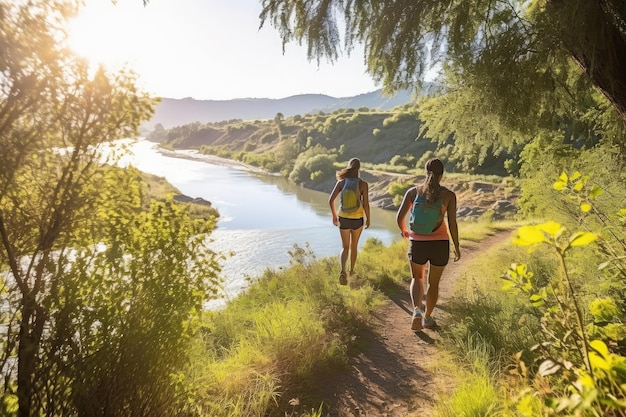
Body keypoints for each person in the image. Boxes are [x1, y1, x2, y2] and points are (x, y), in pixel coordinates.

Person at [396, 158, 461, 330]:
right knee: (433, 283)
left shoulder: (413, 192)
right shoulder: (448, 195)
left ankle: (416, 310)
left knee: (417, 278)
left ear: (426, 172)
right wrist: (457, 246)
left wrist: (405, 231)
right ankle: (427, 318)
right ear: (442, 174)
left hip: (417, 242)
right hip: (440, 244)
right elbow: (452, 223)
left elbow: (399, 217)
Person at [329, 157, 370, 285]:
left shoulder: (341, 182)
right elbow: (366, 204)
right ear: (359, 169)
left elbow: (330, 200)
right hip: (357, 219)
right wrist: (368, 219)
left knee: (345, 247)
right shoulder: (363, 184)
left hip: (343, 218)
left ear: (349, 166)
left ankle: (342, 271)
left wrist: (334, 216)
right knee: (354, 246)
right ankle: (351, 271)